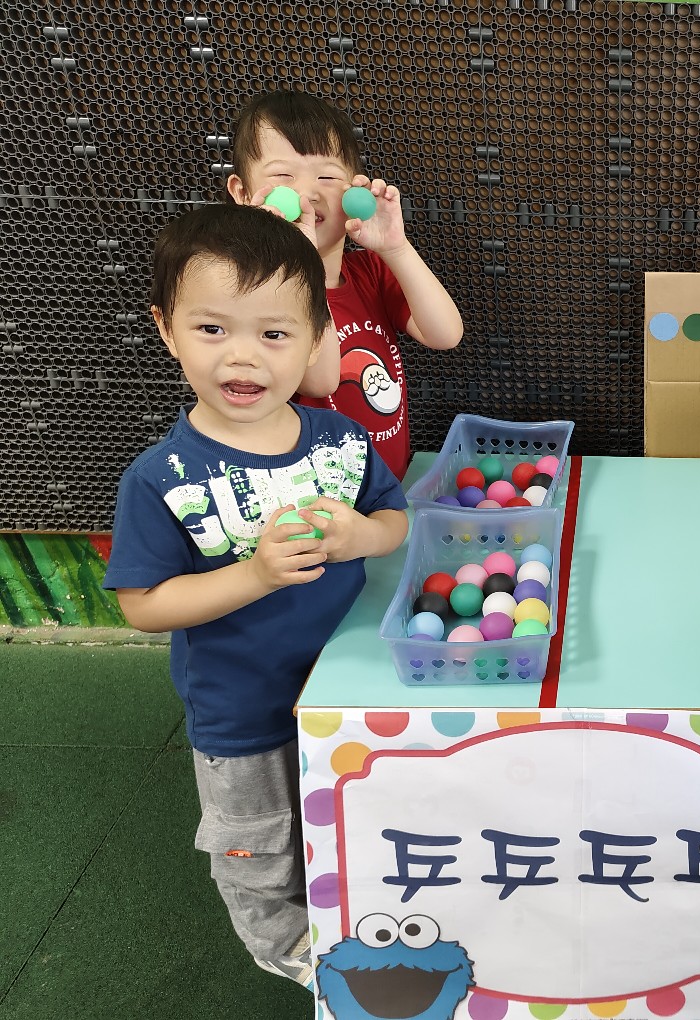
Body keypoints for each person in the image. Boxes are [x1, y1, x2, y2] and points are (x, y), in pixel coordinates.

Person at [103, 203, 409, 989]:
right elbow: (142, 605)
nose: (243, 355)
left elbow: (394, 521)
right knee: (261, 846)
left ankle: (360, 911)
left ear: (316, 339)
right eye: (212, 329)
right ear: (167, 329)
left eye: (274, 333)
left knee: (354, 813)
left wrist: (360, 535)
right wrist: (255, 575)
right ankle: (288, 948)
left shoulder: (341, 442)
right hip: (244, 714)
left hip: (350, 694)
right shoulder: (160, 478)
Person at [227, 88, 464, 480]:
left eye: (327, 176)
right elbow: (319, 381)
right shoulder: (255, 295)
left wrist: (396, 247)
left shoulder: (370, 272)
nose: (308, 192)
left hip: (388, 487)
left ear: (354, 191)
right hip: (316, 497)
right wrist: (300, 262)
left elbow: (446, 334)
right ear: (243, 193)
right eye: (283, 177)